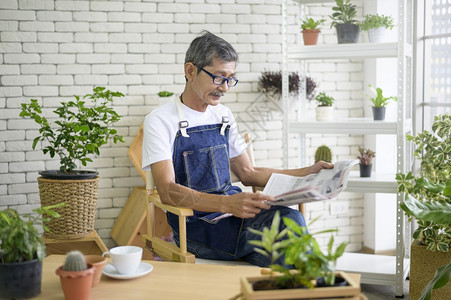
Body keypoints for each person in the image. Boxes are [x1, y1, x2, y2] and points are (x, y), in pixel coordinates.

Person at [142, 31, 333, 267]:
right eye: (219, 77)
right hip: (196, 227)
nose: (225, 88)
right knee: (289, 222)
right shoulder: (160, 120)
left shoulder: (223, 115)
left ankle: (314, 283)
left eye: (230, 78)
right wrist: (226, 204)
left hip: (234, 216)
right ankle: (325, 284)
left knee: (285, 254)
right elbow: (168, 191)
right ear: (190, 71)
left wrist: (306, 172)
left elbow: (248, 173)